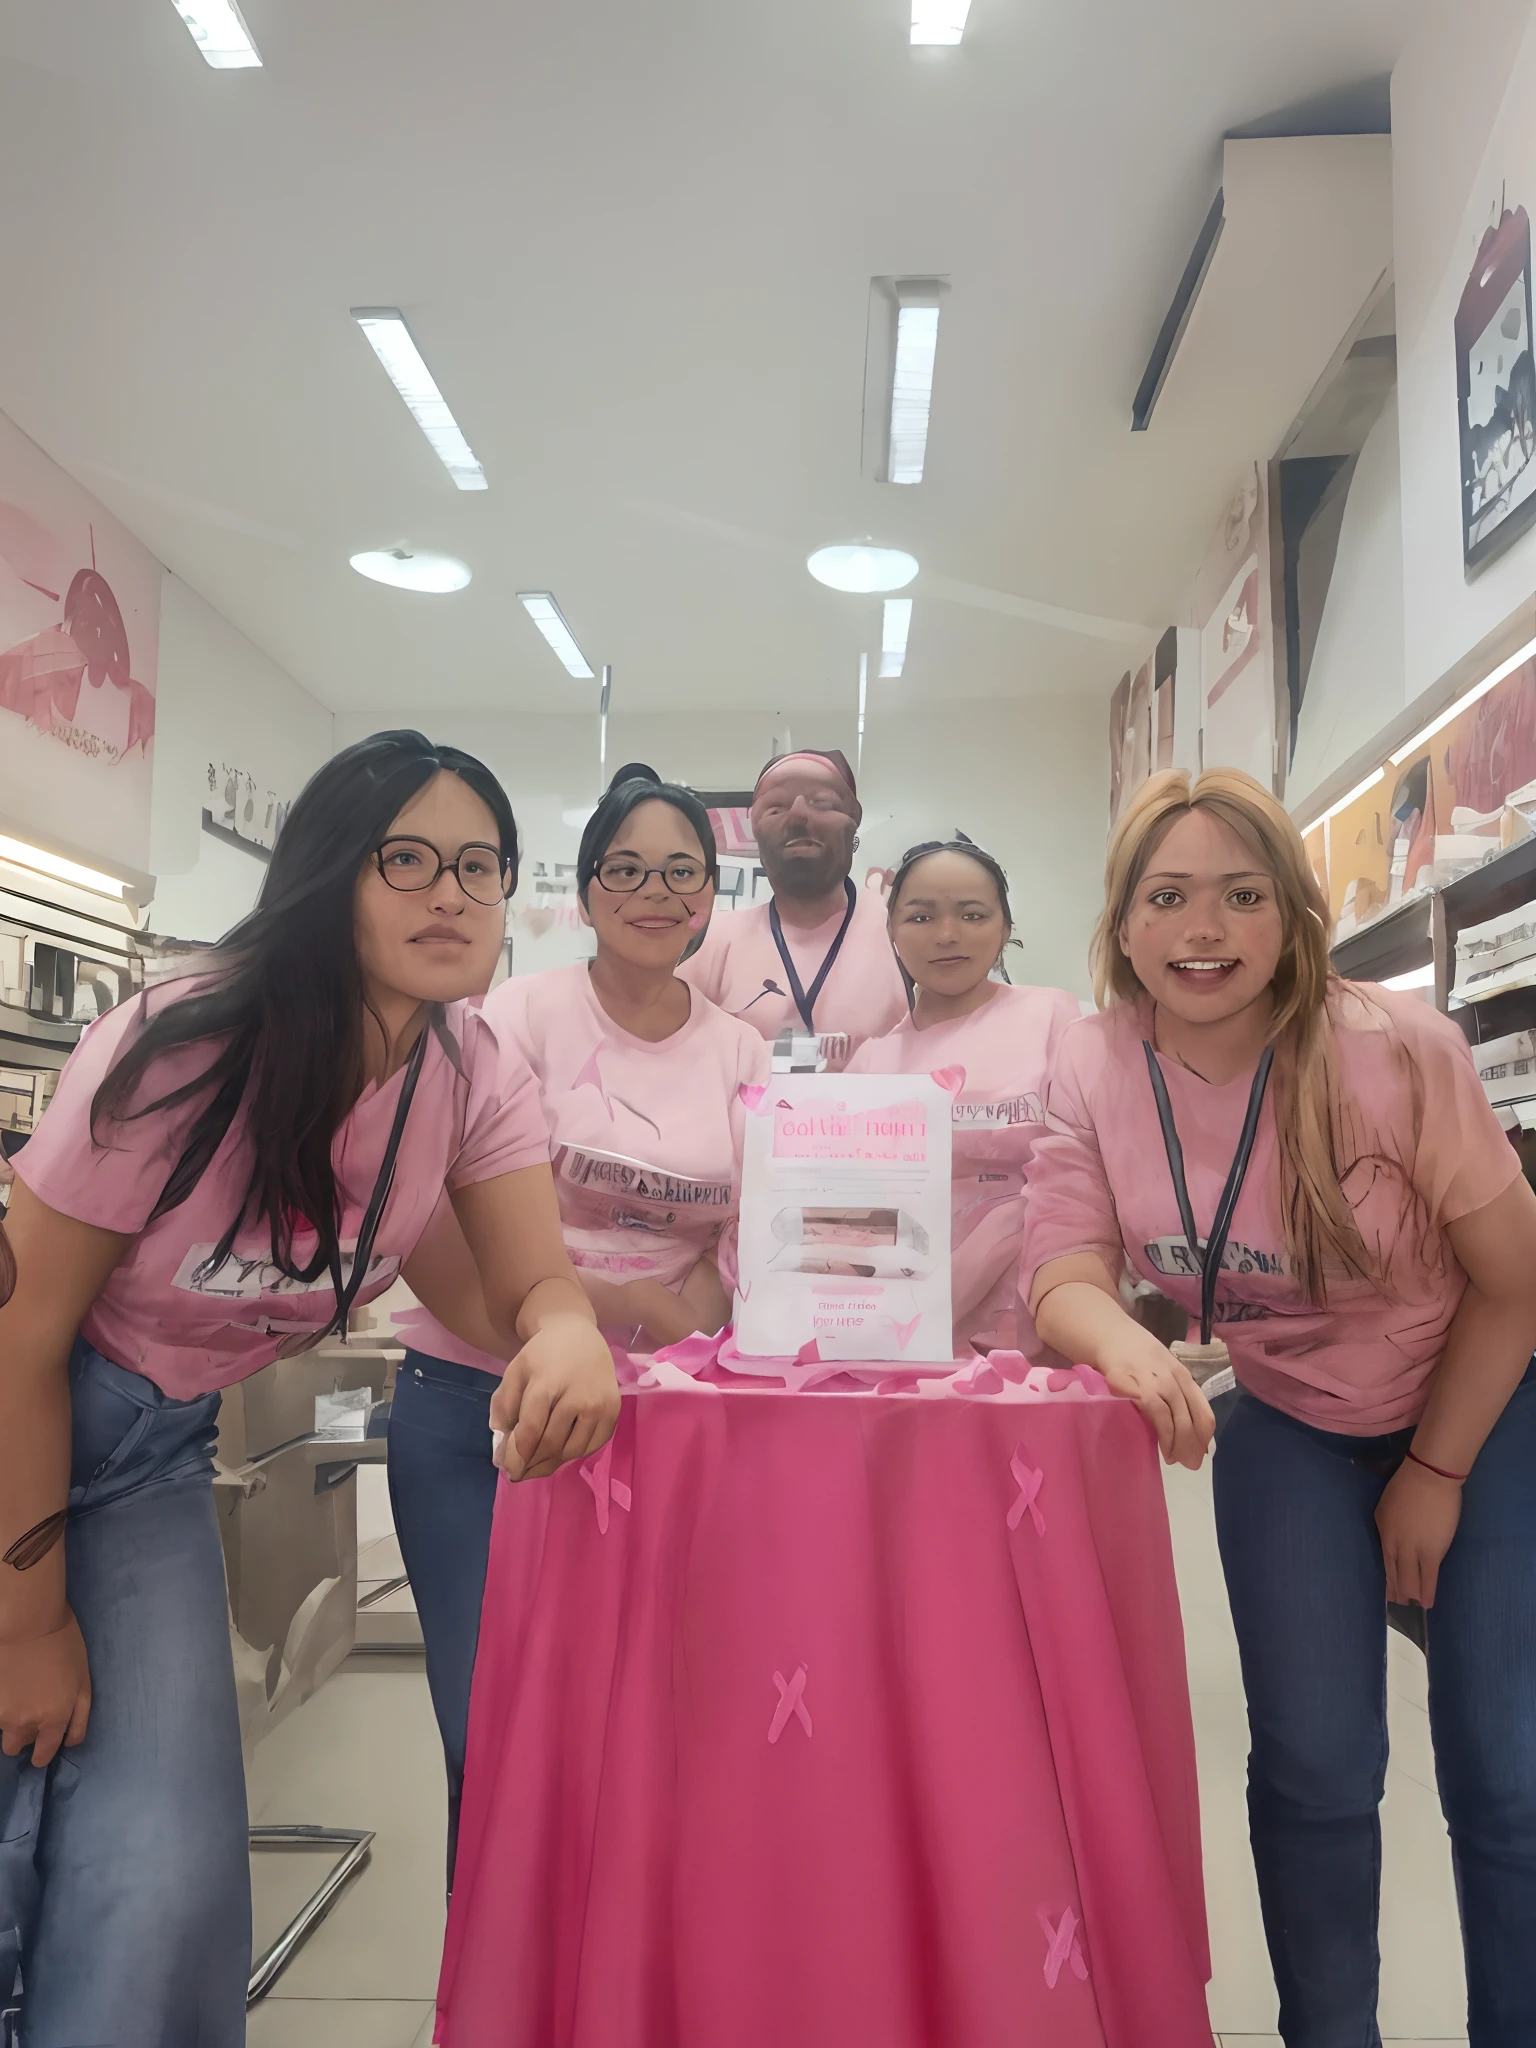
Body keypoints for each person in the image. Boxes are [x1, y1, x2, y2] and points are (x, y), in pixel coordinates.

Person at [0, 731, 619, 2048]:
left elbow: (511, 1287)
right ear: (330, 872)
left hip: (152, 1460)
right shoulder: (179, 1048)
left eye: (480, 866)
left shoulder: (465, 1076)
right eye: (407, 860)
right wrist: (26, 1622)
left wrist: (566, 1330)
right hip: (24, 1425)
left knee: (160, 1874)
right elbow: (18, 1340)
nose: (449, 895)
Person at [1021, 766, 1536, 2048]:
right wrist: (1124, 1350)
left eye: (1243, 896)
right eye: (1171, 896)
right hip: (1291, 1421)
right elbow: (1063, 1268)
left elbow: (1520, 1287)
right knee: (1313, 1770)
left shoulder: (1396, 1049)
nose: (1206, 931)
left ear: (1293, 914)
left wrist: (1437, 1468)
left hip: (1484, 1401)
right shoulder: (1092, 1061)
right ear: (1124, 922)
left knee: (1507, 1775)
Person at [390, 764, 768, 1885]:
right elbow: (433, 1212)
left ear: (712, 894)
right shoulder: (510, 1016)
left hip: (668, 1419)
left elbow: (758, 1236)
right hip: (480, 1402)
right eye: (628, 869)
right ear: (588, 888)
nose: (656, 893)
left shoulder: (740, 1049)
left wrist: (684, 1321)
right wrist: (621, 1308)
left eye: (683, 873)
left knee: (645, 1737)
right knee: (492, 1734)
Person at [846, 836, 1078, 1357]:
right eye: (921, 917)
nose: (946, 936)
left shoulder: (1052, 1018)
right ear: (891, 931)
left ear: (1006, 928)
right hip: (904, 1324)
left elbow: (1085, 1174)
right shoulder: (870, 1064)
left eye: (972, 915)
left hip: (1041, 1311)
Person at [679, 748, 907, 1069]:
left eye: (823, 802)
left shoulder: (904, 934)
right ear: (756, 834)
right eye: (775, 808)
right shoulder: (712, 942)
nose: (799, 816)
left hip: (887, 1119)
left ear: (853, 825)